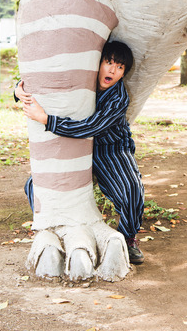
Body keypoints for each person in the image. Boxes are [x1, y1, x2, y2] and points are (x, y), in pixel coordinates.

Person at [15, 40, 145, 265]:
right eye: (109, 63)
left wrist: (46, 120)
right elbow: (45, 82)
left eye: (120, 67)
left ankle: (128, 237)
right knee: (36, 184)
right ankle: (49, 225)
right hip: (74, 145)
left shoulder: (118, 98)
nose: (113, 70)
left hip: (110, 148)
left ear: (123, 74)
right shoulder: (81, 81)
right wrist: (18, 90)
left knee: (132, 188)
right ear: (99, 63)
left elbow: (91, 127)